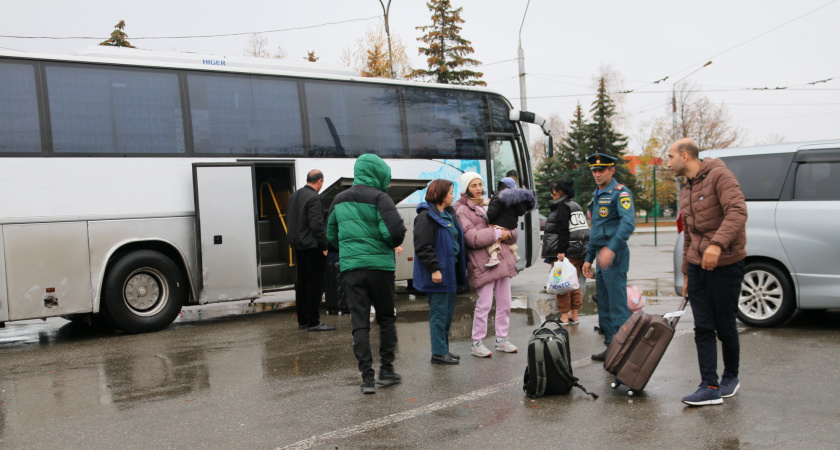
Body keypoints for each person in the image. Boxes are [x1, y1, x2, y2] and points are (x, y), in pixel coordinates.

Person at [667, 138, 747, 407]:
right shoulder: (685, 190)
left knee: (725, 325)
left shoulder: (720, 176)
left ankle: (731, 378)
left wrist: (717, 244)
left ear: (686, 156)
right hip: (698, 270)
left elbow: (737, 211)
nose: (668, 163)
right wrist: (687, 273)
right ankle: (709, 385)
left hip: (725, 266)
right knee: (703, 327)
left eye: (670, 157)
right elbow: (688, 233)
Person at [326, 154, 406, 394]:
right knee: (385, 318)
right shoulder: (381, 198)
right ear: (379, 173)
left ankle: (367, 378)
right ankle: (387, 370)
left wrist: (351, 249)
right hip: (380, 268)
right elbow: (394, 234)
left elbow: (330, 234)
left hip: (352, 269)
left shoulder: (339, 199)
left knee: (359, 322)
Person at [455, 172, 519, 358]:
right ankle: (477, 342)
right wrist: (498, 233)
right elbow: (472, 238)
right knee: (484, 304)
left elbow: (511, 228)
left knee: (505, 303)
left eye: (480, 184)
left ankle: (502, 339)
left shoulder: (492, 203)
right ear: (466, 188)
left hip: (502, 258)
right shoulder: (462, 210)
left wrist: (508, 233)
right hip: (483, 263)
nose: (478, 188)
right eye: (473, 185)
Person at [581, 153, 635, 362]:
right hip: (601, 256)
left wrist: (611, 249)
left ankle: (624, 351)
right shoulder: (597, 194)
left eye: (601, 170)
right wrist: (589, 258)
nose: (597, 173)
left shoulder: (619, 193)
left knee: (617, 305)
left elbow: (628, 224)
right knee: (604, 303)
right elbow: (596, 230)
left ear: (611, 170)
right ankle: (611, 347)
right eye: (594, 170)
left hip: (615, 254)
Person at [413, 179, 468, 365]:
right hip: (438, 272)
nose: (453, 195)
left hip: (450, 270)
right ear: (441, 194)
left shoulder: (448, 214)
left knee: (447, 312)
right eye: (451, 192)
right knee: (438, 313)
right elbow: (423, 247)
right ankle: (438, 353)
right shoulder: (426, 216)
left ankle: (443, 349)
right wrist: (434, 269)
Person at [287, 169, 335, 332]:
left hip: (298, 246)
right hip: (312, 247)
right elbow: (317, 224)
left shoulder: (294, 196)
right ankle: (314, 322)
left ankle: (303, 321)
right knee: (315, 285)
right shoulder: (314, 197)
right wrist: (324, 246)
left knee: (302, 284)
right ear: (320, 181)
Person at [541, 179, 589, 325]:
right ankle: (574, 315)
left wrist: (561, 251)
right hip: (579, 250)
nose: (551, 193)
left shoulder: (562, 207)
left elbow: (562, 231)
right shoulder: (576, 206)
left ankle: (563, 316)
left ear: (561, 191)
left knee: (561, 284)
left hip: (566, 252)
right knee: (574, 284)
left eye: (554, 191)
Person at [485, 177, 536, 267]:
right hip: (510, 227)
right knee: (508, 242)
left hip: (499, 225)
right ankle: (515, 254)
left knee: (494, 241)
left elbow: (493, 211)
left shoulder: (500, 195)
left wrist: (487, 218)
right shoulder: (516, 199)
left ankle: (493, 258)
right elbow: (520, 212)